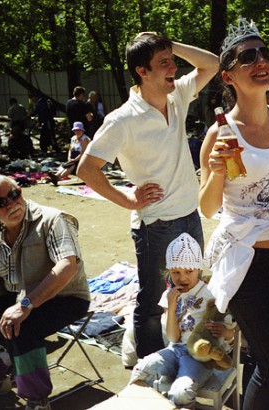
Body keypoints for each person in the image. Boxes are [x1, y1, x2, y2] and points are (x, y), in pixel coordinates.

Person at [77, 32, 218, 359]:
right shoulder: (122, 119)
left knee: (190, 291)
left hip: (189, 215)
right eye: (164, 63)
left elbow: (211, 64)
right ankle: (151, 370)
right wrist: (127, 200)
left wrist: (169, 44)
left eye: (172, 62)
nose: (173, 68)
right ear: (142, 71)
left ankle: (183, 356)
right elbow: (86, 169)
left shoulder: (178, 95)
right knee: (153, 301)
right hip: (156, 225)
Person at [199, 18, 269, 409]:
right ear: (228, 76)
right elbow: (208, 207)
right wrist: (217, 169)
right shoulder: (221, 133)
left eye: (264, 53)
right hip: (242, 258)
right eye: (248, 57)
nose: (261, 61)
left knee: (264, 356)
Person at [0, 173, 90, 410]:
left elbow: (67, 266)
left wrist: (25, 305)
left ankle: (37, 397)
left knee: (20, 327)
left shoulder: (52, 219)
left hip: (64, 296)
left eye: (13, 195)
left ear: (20, 191)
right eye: (1, 202)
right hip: (18, 296)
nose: (11, 204)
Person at [129, 233, 234, 407]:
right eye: (176, 272)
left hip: (200, 358)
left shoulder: (210, 295)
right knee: (141, 370)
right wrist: (171, 307)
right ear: (169, 271)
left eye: (189, 271)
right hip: (174, 351)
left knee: (181, 393)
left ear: (199, 269)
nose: (183, 277)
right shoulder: (170, 296)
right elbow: (173, 338)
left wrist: (226, 332)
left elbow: (231, 333)